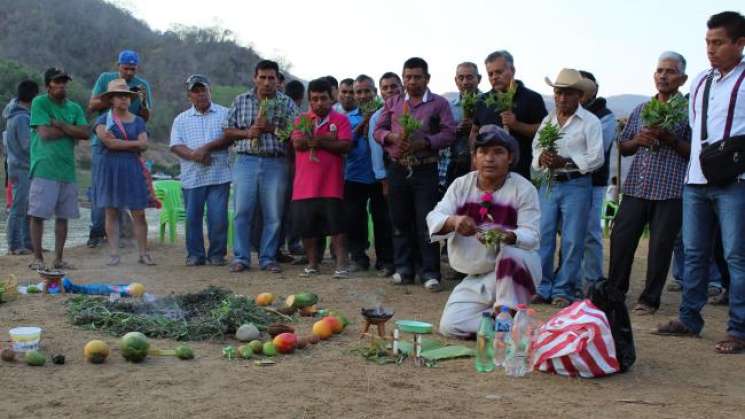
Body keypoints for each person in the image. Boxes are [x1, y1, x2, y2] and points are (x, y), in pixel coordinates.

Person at [655, 11, 745, 354]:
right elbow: (695, 131)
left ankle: (738, 328)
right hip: (695, 179)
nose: (711, 49)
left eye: (719, 42)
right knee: (693, 252)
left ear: (740, 43)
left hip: (736, 180)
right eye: (708, 42)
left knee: (736, 255)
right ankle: (689, 318)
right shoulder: (701, 82)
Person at [430, 125, 540, 337]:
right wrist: (454, 221)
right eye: (483, 152)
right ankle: (515, 327)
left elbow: (532, 235)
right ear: (474, 157)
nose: (490, 158)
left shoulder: (524, 189)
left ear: (510, 158)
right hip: (480, 276)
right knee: (451, 325)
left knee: (511, 252)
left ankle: (506, 321)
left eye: (498, 152)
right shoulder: (461, 185)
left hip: (514, 271)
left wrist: (508, 235)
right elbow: (434, 217)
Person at [606, 52, 691, 314]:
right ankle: (615, 293)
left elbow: (694, 151)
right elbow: (624, 147)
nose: (663, 76)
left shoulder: (689, 111)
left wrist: (669, 138)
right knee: (621, 240)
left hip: (670, 190)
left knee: (660, 247)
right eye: (659, 70)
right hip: (636, 187)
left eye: (670, 71)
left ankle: (649, 299)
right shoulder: (642, 109)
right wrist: (637, 141)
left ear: (683, 78)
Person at [374, 57, 457, 291]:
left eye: (417, 77)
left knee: (426, 220)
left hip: (425, 168)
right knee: (399, 220)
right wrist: (391, 138)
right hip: (398, 167)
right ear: (403, 79)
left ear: (427, 78)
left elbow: (450, 132)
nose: (412, 81)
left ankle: (430, 272)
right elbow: (378, 130)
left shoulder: (439, 103)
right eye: (408, 77)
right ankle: (404, 269)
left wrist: (426, 142)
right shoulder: (393, 103)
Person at [531, 68, 604, 308]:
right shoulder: (548, 120)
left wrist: (567, 162)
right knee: (544, 236)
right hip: (550, 183)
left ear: (579, 96)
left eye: (568, 93)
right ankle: (542, 286)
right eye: (558, 93)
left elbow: (596, 158)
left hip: (577, 184)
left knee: (573, 239)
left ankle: (564, 289)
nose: (562, 98)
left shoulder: (590, 121)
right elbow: (536, 148)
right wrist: (543, 159)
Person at [224, 60, 299, 273]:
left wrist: (272, 128)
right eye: (262, 77)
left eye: (271, 78)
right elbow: (228, 131)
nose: (267, 82)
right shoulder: (241, 100)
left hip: (275, 161)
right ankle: (241, 257)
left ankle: (268, 258)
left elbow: (296, 135)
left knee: (273, 213)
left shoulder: (286, 103)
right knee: (242, 212)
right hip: (245, 160)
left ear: (278, 80)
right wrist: (248, 133)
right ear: (255, 78)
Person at [87, 50, 153, 248]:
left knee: (130, 192)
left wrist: (140, 100)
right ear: (118, 66)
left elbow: (146, 117)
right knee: (102, 191)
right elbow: (91, 105)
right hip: (104, 144)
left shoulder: (143, 85)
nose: (130, 72)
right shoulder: (105, 78)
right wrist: (115, 96)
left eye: (133, 69)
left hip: (131, 145)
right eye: (126, 68)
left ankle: (124, 236)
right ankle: (96, 234)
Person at [28, 68, 90, 270]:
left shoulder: (74, 107)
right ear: (48, 85)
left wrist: (60, 124)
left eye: (64, 82)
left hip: (67, 168)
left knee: (63, 216)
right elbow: (45, 133)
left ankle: (58, 259)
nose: (62, 85)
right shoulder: (40, 102)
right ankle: (38, 258)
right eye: (57, 82)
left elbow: (85, 133)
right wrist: (70, 130)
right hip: (44, 166)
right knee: (38, 215)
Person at [290, 78, 352, 278]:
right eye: (314, 99)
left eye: (323, 98)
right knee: (307, 229)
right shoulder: (302, 120)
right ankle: (312, 264)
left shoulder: (341, 120)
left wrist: (316, 141)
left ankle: (341, 265)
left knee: (338, 228)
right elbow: (298, 143)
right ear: (309, 100)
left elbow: (345, 146)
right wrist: (327, 140)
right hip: (304, 186)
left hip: (331, 184)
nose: (319, 103)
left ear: (331, 98)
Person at [170, 75, 232, 266]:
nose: (200, 94)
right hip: (192, 176)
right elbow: (175, 145)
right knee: (193, 218)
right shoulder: (181, 119)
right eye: (195, 91)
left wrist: (207, 149)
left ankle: (217, 254)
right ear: (189, 95)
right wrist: (194, 155)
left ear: (209, 91)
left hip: (219, 175)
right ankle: (195, 255)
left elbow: (230, 137)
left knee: (218, 217)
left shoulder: (225, 113)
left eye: (203, 90)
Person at [343, 74, 394, 274]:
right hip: (354, 176)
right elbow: (345, 145)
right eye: (359, 92)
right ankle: (358, 257)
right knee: (354, 219)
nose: (363, 95)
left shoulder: (386, 114)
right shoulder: (347, 119)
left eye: (367, 91)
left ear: (374, 92)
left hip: (380, 177)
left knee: (383, 219)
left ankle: (385, 259)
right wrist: (362, 125)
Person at [471, 50, 548, 179]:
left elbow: (544, 131)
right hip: (487, 173)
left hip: (522, 173)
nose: (494, 77)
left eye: (499, 72)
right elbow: (474, 131)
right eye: (490, 74)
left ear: (512, 70)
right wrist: (474, 159)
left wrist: (516, 125)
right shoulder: (482, 101)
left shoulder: (532, 98)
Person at [578, 71, 617, 290]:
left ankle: (592, 281)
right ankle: (573, 279)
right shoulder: (564, 114)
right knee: (571, 233)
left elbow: (596, 149)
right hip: (569, 181)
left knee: (591, 233)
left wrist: (568, 148)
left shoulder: (605, 115)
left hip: (594, 182)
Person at [4, 80, 38, 255]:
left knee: (26, 206)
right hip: (22, 167)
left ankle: (27, 242)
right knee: (19, 207)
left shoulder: (12, 115)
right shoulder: (22, 117)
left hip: (16, 166)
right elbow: (27, 145)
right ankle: (15, 245)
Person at [443, 62, 481, 189]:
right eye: (461, 78)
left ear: (479, 79)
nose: (465, 82)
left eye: (470, 77)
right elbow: (442, 134)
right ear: (456, 80)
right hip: (455, 164)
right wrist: (456, 129)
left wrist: (476, 128)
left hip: (481, 165)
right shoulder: (449, 106)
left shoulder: (488, 103)